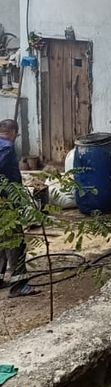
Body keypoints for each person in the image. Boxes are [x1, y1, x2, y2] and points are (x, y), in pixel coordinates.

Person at [0, 119, 35, 297]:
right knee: (16, 242)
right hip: (5, 203)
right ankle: (18, 285)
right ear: (13, 132)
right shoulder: (7, 147)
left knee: (1, 241)